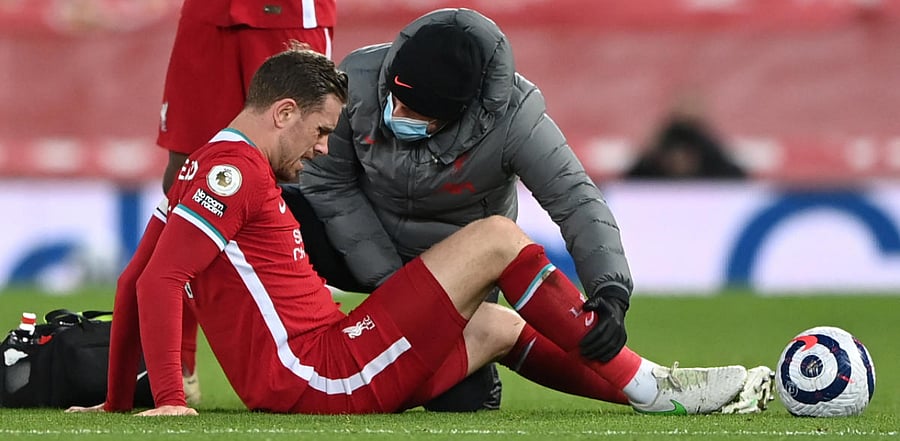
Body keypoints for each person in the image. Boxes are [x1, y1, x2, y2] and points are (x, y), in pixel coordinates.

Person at [70, 48, 774, 417]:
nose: (321, 151)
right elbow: (164, 280)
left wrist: (115, 398)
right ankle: (653, 386)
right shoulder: (234, 171)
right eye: (318, 132)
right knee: (498, 238)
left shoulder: (207, 162)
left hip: (327, 360)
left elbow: (138, 276)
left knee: (495, 325)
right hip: (322, 374)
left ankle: (653, 391)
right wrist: (165, 397)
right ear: (282, 111)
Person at [288, 8, 628, 411]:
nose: (396, 115)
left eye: (416, 113)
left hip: (456, 277)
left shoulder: (517, 119)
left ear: (459, 112)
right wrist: (396, 292)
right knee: (280, 210)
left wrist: (610, 290)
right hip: (360, 246)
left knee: (459, 401)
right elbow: (328, 183)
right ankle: (285, 351)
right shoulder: (360, 78)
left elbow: (575, 198)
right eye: (395, 100)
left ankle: (480, 373)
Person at [156, 0, 337, 404]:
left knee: (292, 156)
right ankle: (178, 365)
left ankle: (304, 337)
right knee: (185, 169)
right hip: (209, 12)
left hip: (288, 12)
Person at [625, 114, 747, 179]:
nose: (679, 162)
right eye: (674, 157)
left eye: (685, 156)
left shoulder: (716, 167)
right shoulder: (648, 171)